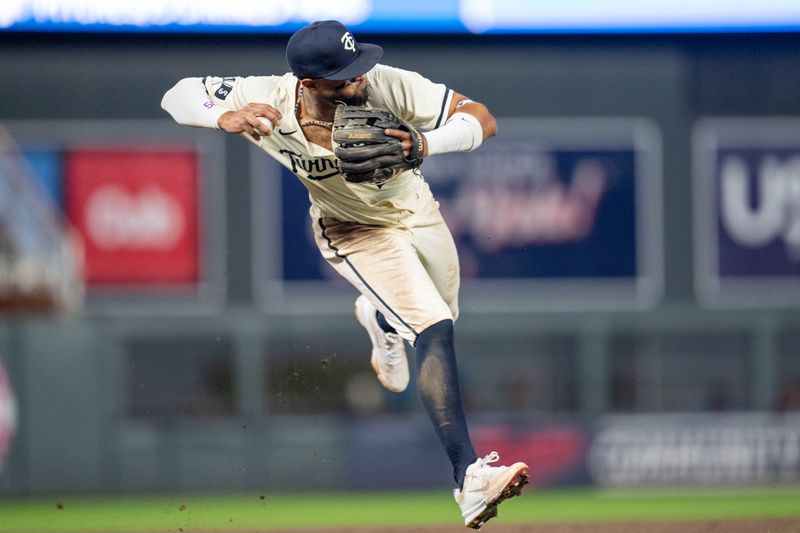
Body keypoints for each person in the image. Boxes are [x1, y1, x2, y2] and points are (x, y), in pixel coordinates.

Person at [161, 20, 528, 529]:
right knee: (432, 328)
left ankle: (379, 317)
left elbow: (483, 119)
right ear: (307, 84)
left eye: (360, 68)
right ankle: (469, 479)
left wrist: (424, 145)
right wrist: (224, 113)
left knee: (445, 317)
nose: (360, 81)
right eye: (344, 77)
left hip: (417, 211)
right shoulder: (266, 97)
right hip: (352, 228)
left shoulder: (388, 83)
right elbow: (177, 94)